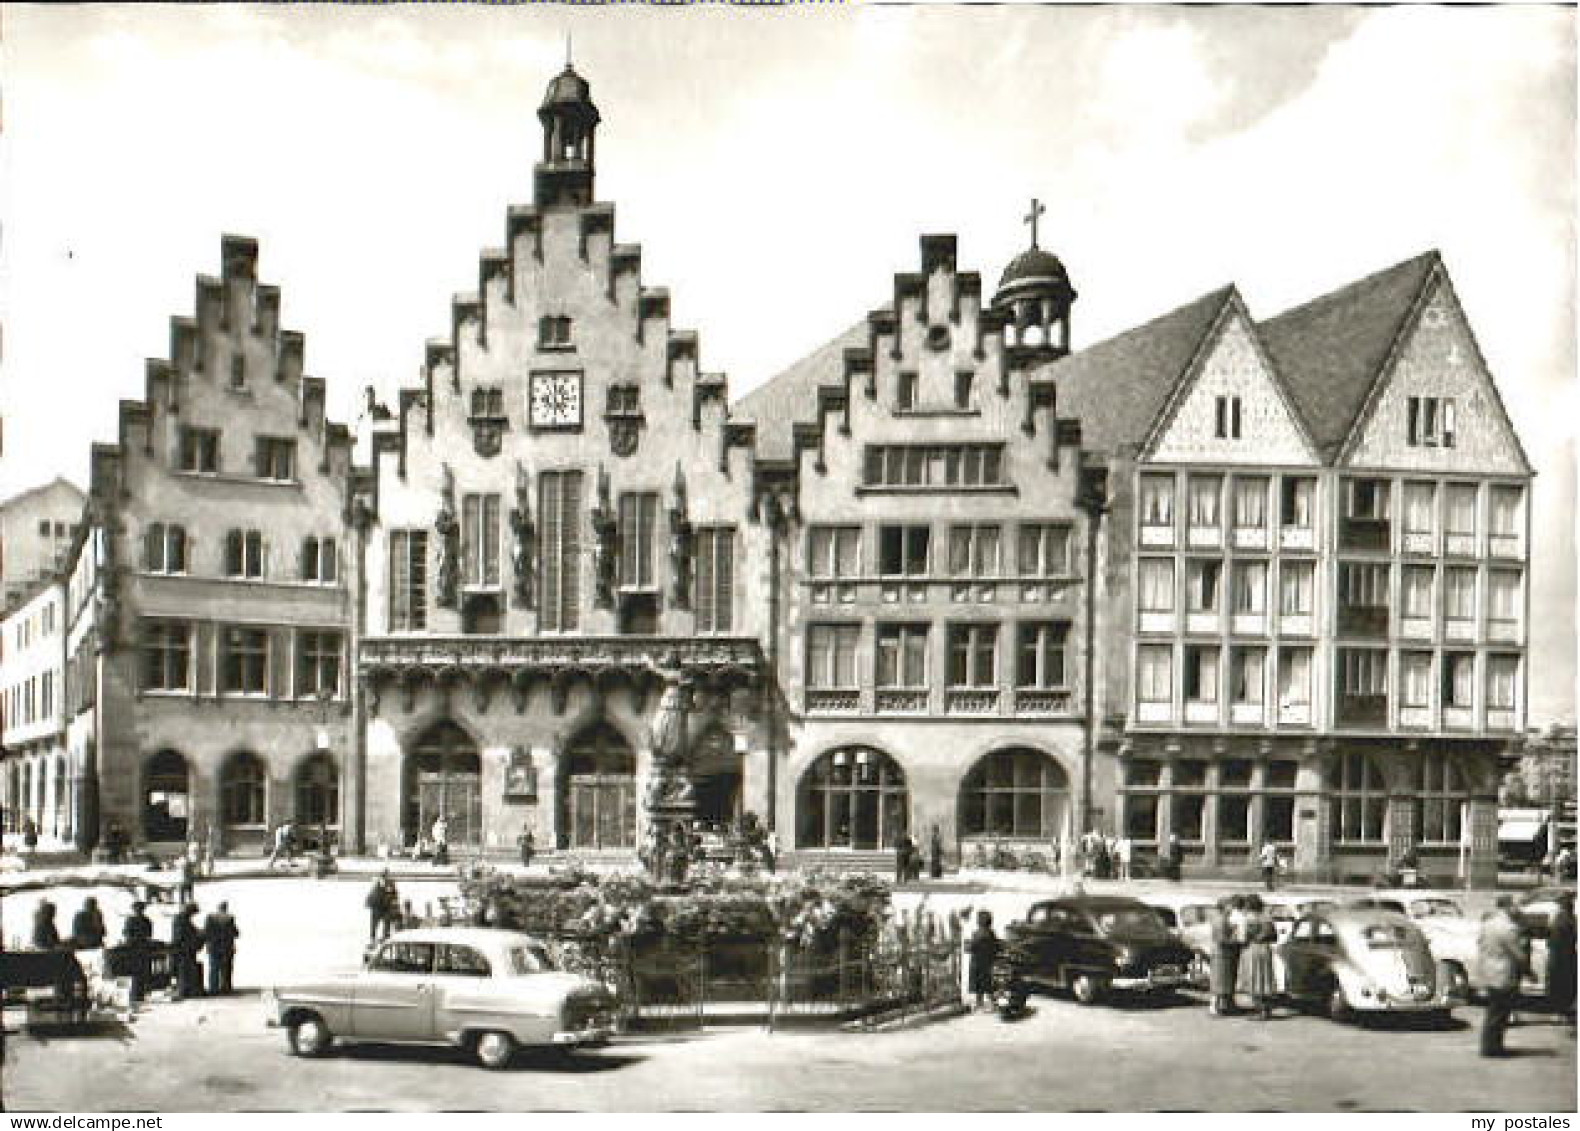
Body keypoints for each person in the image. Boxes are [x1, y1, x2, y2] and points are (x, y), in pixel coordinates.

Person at [1477, 895, 1531, 1057]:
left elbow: (1480, 943)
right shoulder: (1508, 928)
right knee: (1500, 1013)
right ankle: (1493, 1047)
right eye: (1515, 905)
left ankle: (1489, 1046)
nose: (1518, 909)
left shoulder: (1488, 924)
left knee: (1493, 1011)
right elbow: (1518, 955)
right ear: (1507, 907)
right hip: (1504, 973)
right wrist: (1528, 970)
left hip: (1489, 971)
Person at [1238, 897, 1278, 1020]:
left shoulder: (1248, 920)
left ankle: (1259, 1009)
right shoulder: (1267, 919)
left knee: (1254, 978)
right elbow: (1274, 937)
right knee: (1265, 978)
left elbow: (1243, 938)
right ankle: (1267, 1008)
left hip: (1252, 949)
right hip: (1266, 949)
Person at [1208, 896, 1242, 1016]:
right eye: (1229, 906)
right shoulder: (1220, 920)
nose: (1231, 908)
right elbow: (1222, 939)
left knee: (1225, 981)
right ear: (1224, 907)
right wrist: (1236, 941)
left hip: (1224, 954)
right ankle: (1214, 1006)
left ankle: (1227, 1004)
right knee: (1219, 981)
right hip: (1221, 954)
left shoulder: (1223, 919)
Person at [1546, 892, 1576, 1027]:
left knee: (1560, 986)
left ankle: (1561, 1012)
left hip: (1561, 957)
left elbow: (1552, 940)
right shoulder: (1566, 918)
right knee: (1563, 985)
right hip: (1564, 957)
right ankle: (1561, 1012)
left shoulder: (1561, 918)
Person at [966, 909, 1002, 1011]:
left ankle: (979, 1003)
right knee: (988, 985)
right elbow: (997, 947)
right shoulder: (991, 933)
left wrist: (967, 945)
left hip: (977, 963)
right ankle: (993, 1004)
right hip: (988, 963)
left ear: (979, 921)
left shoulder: (977, 934)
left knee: (978, 986)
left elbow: (971, 947)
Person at [203, 901, 239, 995]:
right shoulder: (230, 918)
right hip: (226, 947)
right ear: (226, 908)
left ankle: (213, 988)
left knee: (214, 968)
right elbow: (235, 932)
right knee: (226, 968)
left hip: (214, 947)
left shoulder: (210, 917)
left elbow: (206, 931)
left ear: (218, 908)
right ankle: (226, 988)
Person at [122, 900, 155, 1004]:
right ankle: (138, 995)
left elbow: (126, 934)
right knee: (141, 973)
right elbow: (149, 934)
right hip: (141, 948)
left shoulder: (131, 920)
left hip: (136, 948)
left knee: (138, 974)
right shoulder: (146, 920)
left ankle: (137, 996)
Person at [171, 901, 204, 1001]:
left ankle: (187, 989)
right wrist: (197, 934)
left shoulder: (183, 918)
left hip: (185, 948)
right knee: (184, 969)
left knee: (187, 969)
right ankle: (185, 990)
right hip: (183, 948)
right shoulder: (181, 919)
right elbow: (182, 934)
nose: (193, 915)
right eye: (193, 913)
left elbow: (189, 930)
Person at [366, 870, 397, 941]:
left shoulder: (391, 883)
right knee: (374, 924)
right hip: (377, 907)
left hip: (385, 907)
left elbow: (394, 894)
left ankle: (385, 936)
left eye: (386, 875)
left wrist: (393, 903)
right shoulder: (378, 883)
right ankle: (373, 937)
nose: (386, 877)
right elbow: (373, 895)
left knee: (386, 922)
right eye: (384, 876)